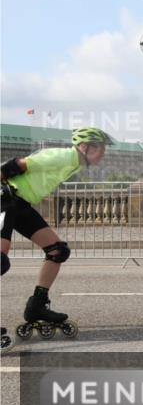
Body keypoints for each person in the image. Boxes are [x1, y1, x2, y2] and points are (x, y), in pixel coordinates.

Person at [1, 127, 114, 343]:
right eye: (100, 148)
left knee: (57, 251)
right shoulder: (62, 156)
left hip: (19, 203)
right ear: (84, 147)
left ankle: (37, 305)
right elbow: (16, 165)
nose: (103, 153)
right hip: (4, 199)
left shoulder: (73, 163)